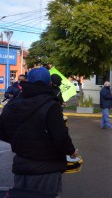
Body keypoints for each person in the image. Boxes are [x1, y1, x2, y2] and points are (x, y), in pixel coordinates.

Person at [0, 67, 77, 197]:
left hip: (21, 166)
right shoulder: (51, 106)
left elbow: (3, 131)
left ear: (28, 81)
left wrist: (20, 140)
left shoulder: (12, 105)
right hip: (46, 169)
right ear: (49, 83)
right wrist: (71, 151)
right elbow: (61, 137)